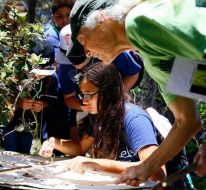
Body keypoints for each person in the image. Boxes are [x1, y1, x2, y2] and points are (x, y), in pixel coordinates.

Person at [66, 0, 206, 184]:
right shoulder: (152, 58)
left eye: (84, 41)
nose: (87, 52)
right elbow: (187, 120)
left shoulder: (139, 21)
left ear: (101, 19)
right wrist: (144, 168)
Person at [39, 63, 192, 189]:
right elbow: (80, 148)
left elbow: (157, 172)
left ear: (107, 92)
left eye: (88, 94)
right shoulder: (99, 116)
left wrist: (96, 164)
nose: (84, 101)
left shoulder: (134, 118)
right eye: (81, 95)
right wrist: (53, 142)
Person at [57, 24, 144, 112]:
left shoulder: (109, 49)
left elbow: (133, 74)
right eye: (70, 58)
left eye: (79, 57)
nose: (75, 63)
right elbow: (69, 98)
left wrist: (118, 97)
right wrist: (85, 106)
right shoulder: (65, 67)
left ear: (89, 48)